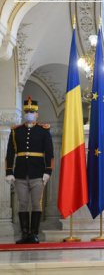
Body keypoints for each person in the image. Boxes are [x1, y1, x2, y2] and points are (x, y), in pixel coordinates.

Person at [5, 97, 54, 244]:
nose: (29, 113)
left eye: (32, 111)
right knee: (22, 203)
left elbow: (49, 152)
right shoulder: (16, 131)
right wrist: (9, 172)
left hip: (38, 173)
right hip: (20, 173)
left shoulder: (43, 131)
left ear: (37, 114)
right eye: (27, 111)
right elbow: (10, 153)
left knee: (36, 203)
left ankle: (34, 234)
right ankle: (25, 234)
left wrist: (48, 171)